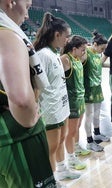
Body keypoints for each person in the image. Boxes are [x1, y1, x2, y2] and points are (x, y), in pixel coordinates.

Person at [0, 0, 55, 187]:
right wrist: (31, 118)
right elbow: (22, 100)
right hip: (16, 139)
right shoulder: (6, 35)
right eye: (28, 6)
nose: (27, 15)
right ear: (11, 2)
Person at [33, 12, 81, 183]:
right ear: (57, 34)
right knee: (51, 148)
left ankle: (62, 170)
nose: (68, 40)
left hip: (61, 105)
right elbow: (36, 85)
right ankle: (51, 180)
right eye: (66, 36)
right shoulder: (43, 55)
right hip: (50, 109)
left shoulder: (55, 54)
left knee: (61, 139)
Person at [61, 35, 89, 170]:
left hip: (80, 98)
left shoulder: (77, 58)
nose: (84, 52)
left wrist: (84, 45)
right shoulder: (65, 59)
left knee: (77, 128)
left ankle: (76, 148)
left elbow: (87, 52)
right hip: (72, 101)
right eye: (82, 49)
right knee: (70, 132)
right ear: (74, 49)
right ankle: (71, 159)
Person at [83, 31, 110, 152]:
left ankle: (97, 133)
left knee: (97, 113)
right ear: (95, 44)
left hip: (97, 86)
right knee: (89, 115)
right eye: (102, 48)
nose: (103, 51)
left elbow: (98, 65)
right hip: (88, 88)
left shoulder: (97, 54)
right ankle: (89, 141)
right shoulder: (86, 52)